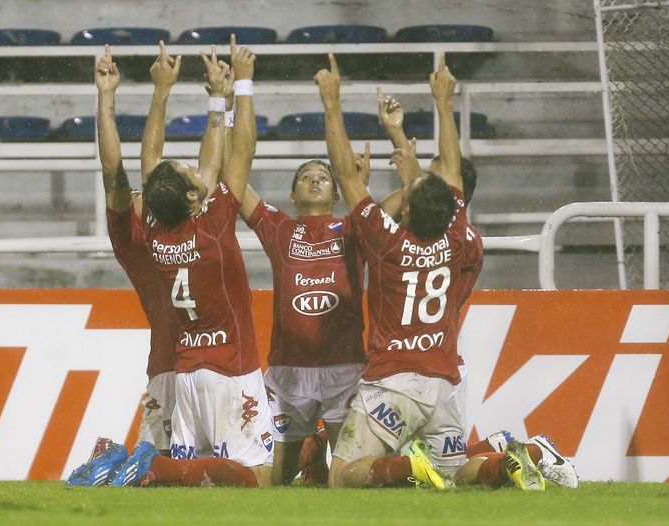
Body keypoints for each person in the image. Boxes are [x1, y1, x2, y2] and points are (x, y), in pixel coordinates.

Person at [316, 52, 546, 491]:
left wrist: (332, 104)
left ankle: (407, 468)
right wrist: (443, 101)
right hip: (442, 381)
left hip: (392, 380)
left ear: (409, 207)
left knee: (342, 478)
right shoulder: (457, 236)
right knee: (457, 471)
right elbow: (453, 170)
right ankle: (509, 463)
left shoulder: (386, 243)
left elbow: (346, 174)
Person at [71, 38, 272, 489]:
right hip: (216, 364)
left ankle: (136, 464)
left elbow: (125, 167)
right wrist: (228, 93)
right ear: (190, 197)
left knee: (183, 475)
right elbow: (225, 160)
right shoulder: (211, 223)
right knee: (247, 474)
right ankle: (129, 463)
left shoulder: (143, 233)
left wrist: (119, 96)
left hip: (173, 362)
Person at [380, 88, 578, 489]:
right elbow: (415, 192)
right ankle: (517, 447)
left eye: (433, 177)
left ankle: (534, 451)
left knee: (423, 469)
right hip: (425, 360)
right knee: (433, 468)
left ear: (453, 191)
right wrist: (399, 138)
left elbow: (407, 200)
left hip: (425, 362)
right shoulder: (449, 232)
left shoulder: (457, 238)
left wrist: (437, 110)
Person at [237, 154, 367, 485]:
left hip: (344, 369)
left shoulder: (355, 228)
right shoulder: (279, 228)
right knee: (272, 480)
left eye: (323, 177)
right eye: (306, 177)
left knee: (346, 480)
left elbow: (398, 207)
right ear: (292, 196)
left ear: (337, 195)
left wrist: (360, 186)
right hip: (288, 373)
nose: (314, 180)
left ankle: (320, 453)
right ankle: (310, 453)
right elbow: (236, 187)